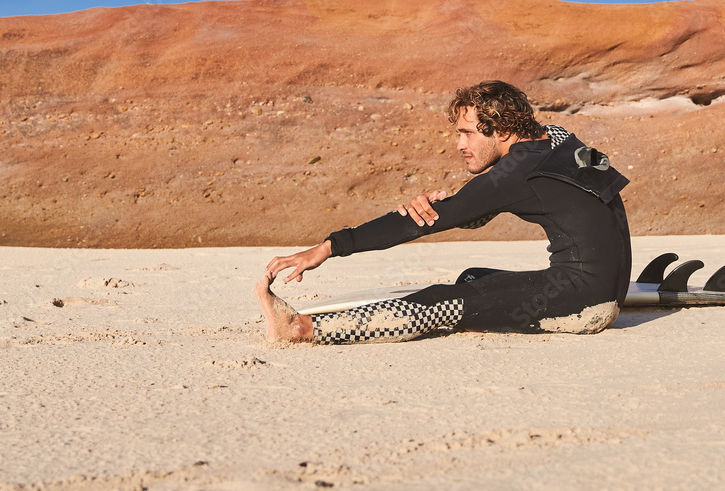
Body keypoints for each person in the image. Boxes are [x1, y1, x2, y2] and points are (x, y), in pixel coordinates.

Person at [256, 80, 632, 344]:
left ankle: (302, 329)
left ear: (501, 131)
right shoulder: (556, 137)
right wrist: (461, 206)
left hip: (585, 302)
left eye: (468, 133)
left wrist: (328, 247)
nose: (459, 144)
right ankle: (489, 316)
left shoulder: (515, 173)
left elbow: (422, 225)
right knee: (472, 278)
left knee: (442, 300)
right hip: (606, 286)